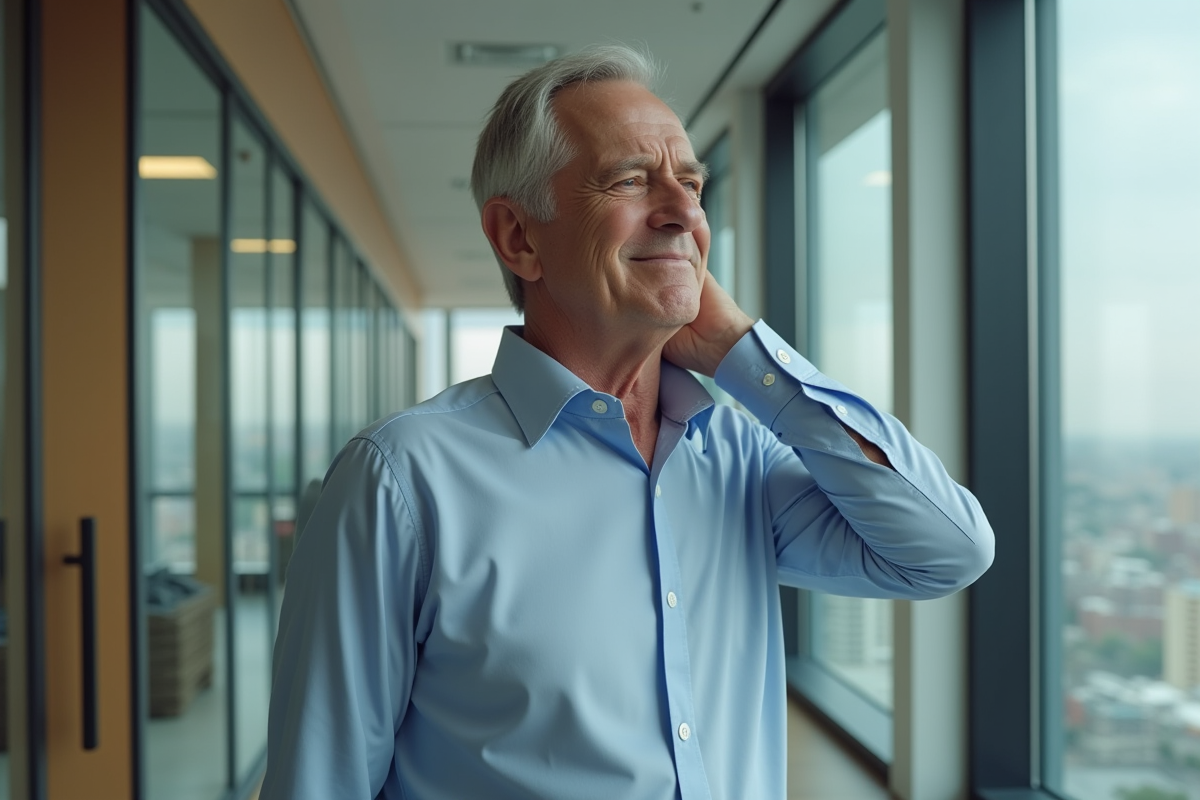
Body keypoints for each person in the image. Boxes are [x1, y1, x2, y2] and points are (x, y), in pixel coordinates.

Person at [261, 44, 994, 800]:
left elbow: (945, 550)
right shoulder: (401, 482)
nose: (684, 213)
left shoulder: (735, 456)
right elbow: (318, 781)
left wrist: (745, 355)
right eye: (631, 180)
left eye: (692, 184)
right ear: (518, 238)